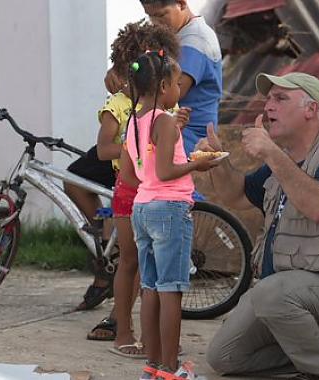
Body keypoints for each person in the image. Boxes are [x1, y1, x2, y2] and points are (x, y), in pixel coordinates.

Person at [199, 72, 319, 380]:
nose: (267, 106)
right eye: (268, 98)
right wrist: (218, 160)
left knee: (270, 294)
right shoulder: (287, 159)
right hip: (294, 293)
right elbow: (235, 195)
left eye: (280, 98)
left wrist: (271, 154)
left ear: (311, 110)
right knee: (224, 356)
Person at [82, 22, 184, 362]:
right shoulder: (121, 104)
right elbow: (104, 150)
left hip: (150, 191)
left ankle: (157, 341)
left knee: (149, 270)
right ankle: (123, 331)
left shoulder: (158, 109)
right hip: (133, 190)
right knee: (132, 262)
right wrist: (137, 147)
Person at [118, 50, 217, 379]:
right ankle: (172, 369)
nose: (179, 89)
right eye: (176, 83)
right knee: (171, 289)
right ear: (163, 86)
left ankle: (153, 366)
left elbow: (131, 176)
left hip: (142, 209)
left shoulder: (135, 120)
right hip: (170, 210)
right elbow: (165, 169)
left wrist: (172, 131)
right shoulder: (164, 122)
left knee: (150, 287)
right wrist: (197, 163)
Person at [106, 0, 222, 155]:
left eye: (161, 15)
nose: (156, 22)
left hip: (187, 137)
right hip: (162, 129)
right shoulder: (177, 35)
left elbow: (166, 94)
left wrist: (124, 86)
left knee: (90, 168)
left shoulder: (194, 41)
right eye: (150, 16)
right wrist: (118, 70)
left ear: (181, 4)